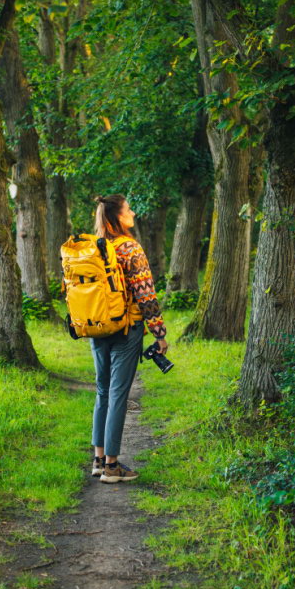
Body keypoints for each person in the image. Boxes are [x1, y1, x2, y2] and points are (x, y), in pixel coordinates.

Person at [89, 194, 169, 484]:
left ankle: (98, 460)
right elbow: (145, 294)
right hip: (127, 328)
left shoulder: (95, 247)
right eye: (128, 210)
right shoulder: (130, 248)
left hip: (97, 328)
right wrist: (159, 333)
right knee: (118, 394)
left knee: (102, 392)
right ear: (118, 217)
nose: (132, 213)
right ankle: (112, 467)